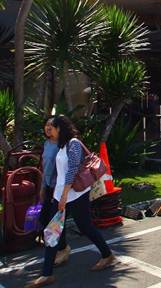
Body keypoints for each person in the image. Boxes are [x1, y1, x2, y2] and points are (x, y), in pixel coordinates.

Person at [27, 116, 115, 288]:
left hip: (76, 194)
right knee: (53, 231)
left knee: (85, 226)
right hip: (60, 195)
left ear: (61, 128)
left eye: (54, 127)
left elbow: (73, 170)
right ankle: (46, 274)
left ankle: (107, 254)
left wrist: (65, 194)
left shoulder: (73, 143)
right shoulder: (60, 145)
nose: (50, 130)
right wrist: (58, 195)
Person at [39, 117, 71, 266]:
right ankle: (59, 247)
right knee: (46, 219)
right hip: (48, 186)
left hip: (59, 188)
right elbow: (44, 167)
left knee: (56, 220)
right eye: (46, 125)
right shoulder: (46, 143)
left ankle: (61, 249)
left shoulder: (62, 145)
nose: (48, 128)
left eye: (51, 126)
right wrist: (42, 187)